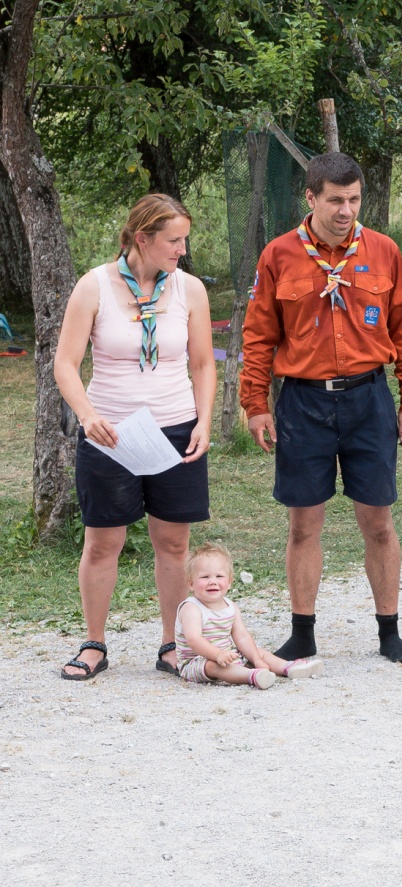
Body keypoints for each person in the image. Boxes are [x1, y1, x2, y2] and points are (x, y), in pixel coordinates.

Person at [240, 152, 402, 663]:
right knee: (303, 526)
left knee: (379, 523)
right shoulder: (278, 255)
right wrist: (256, 404)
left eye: (355, 199)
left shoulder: (384, 250)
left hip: (369, 399)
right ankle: (302, 632)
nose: (346, 210)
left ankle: (389, 632)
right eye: (336, 200)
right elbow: (258, 336)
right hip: (304, 402)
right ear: (311, 198)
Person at [53, 193, 215, 681]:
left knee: (173, 544)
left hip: (177, 430)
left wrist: (204, 421)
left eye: (184, 239)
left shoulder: (189, 289)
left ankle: (172, 644)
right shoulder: (94, 286)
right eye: (174, 240)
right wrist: (87, 417)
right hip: (111, 434)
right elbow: (65, 364)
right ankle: (93, 644)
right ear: (142, 238)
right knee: (104, 542)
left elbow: (203, 363)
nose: (183, 249)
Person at [175, 543, 324, 688]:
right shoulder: (191, 608)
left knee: (259, 652)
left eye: (219, 576)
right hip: (196, 662)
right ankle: (252, 676)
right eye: (205, 577)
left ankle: (289, 667)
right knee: (213, 665)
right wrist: (218, 654)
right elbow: (194, 640)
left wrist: (256, 659)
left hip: (227, 655)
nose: (212, 582)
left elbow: (242, 636)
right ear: (191, 584)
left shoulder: (230, 607)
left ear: (229, 582)